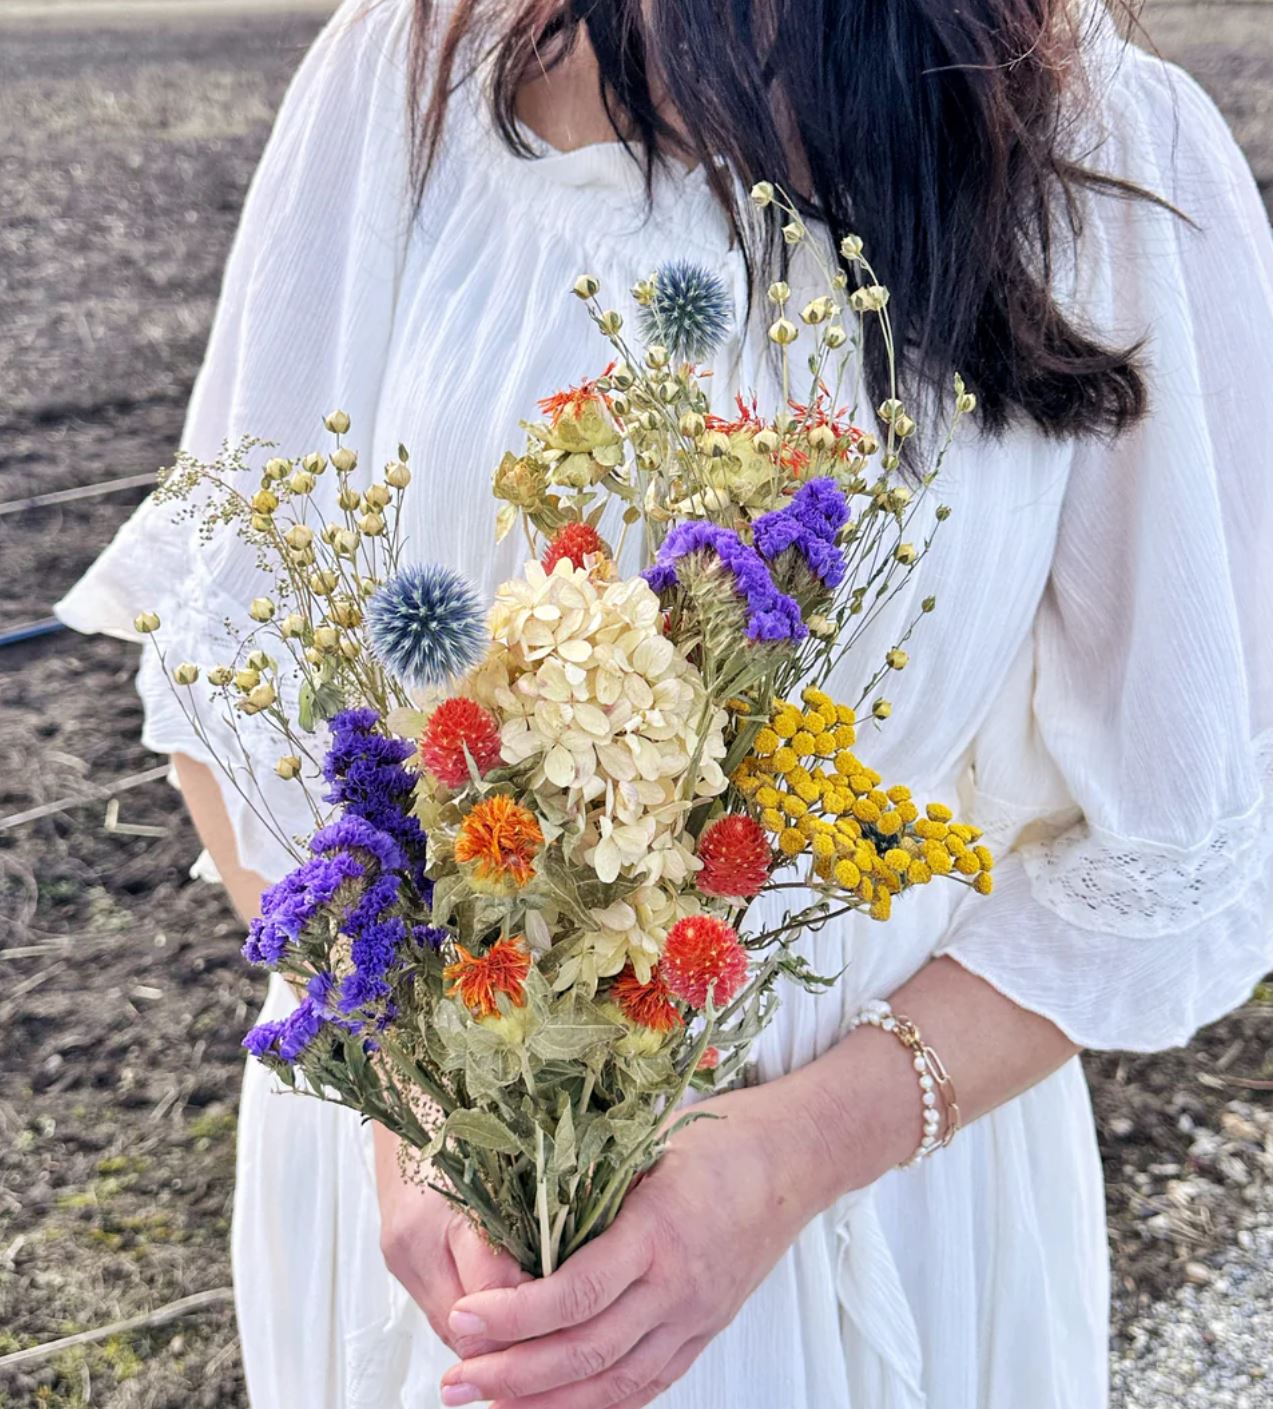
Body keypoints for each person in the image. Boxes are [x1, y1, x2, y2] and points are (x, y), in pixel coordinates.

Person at [57, 0, 1273, 1405]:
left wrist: (790, 1150)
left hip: (859, 1201)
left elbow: (1175, 839)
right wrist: (412, 1101)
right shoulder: (411, 73)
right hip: (431, 1216)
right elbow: (236, 673)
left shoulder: (1100, 152)